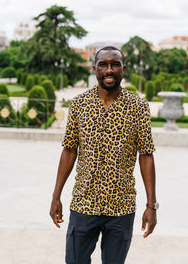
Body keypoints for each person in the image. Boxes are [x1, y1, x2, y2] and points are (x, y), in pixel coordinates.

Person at [50, 46, 158, 264]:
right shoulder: (80, 104)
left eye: (115, 64)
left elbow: (146, 155)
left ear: (123, 69)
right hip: (83, 203)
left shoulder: (138, 107)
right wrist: (56, 196)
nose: (109, 70)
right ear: (95, 69)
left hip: (121, 207)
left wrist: (151, 205)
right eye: (104, 64)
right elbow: (69, 150)